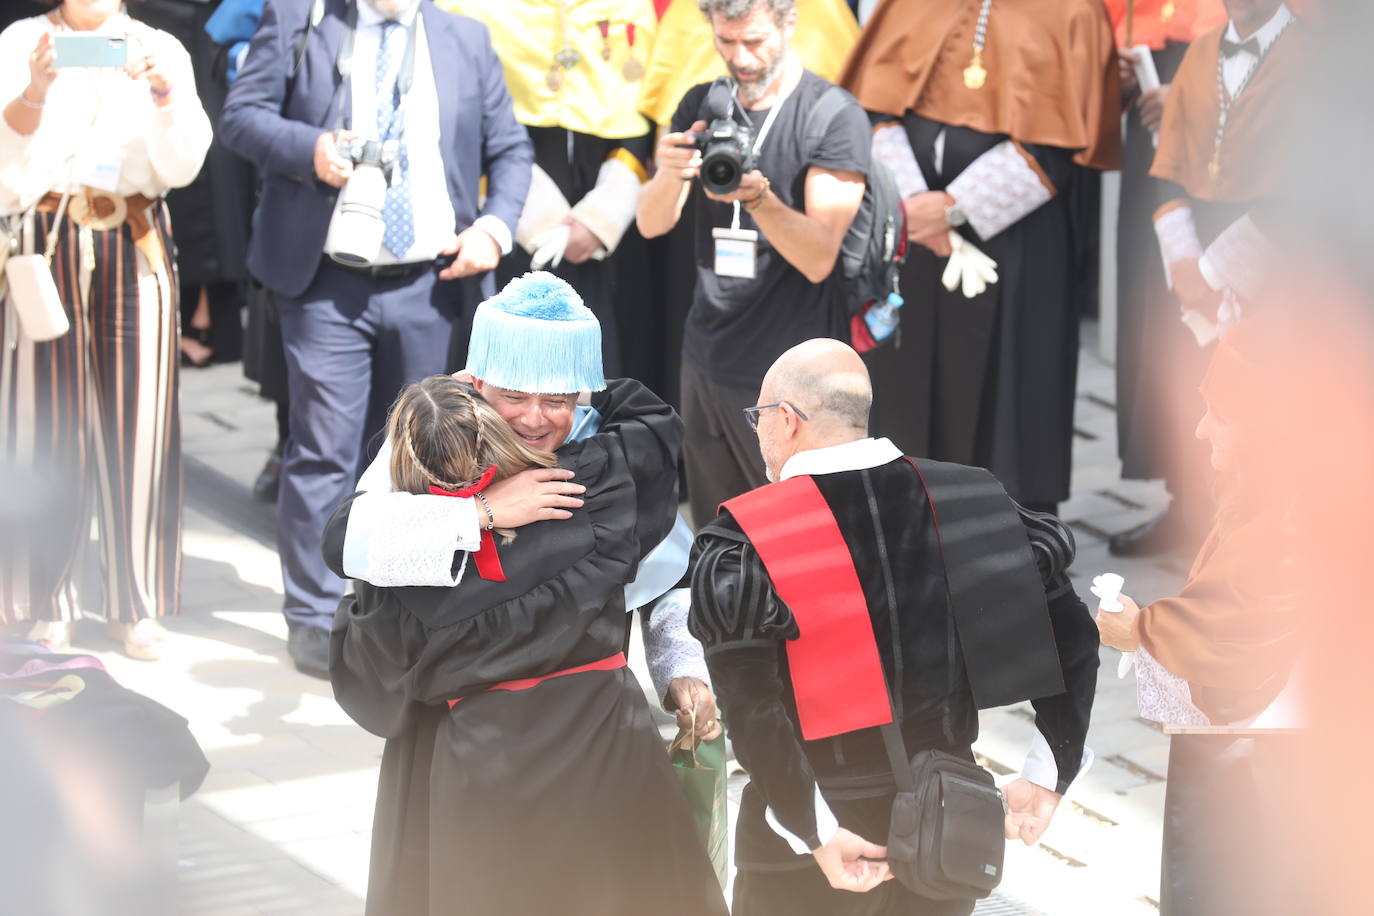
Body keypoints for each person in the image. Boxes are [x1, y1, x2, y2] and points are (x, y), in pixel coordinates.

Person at [326, 275, 729, 916]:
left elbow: (665, 575)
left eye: (558, 399)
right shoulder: (431, 443)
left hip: (598, 735)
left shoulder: (608, 452)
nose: (536, 419)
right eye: (515, 395)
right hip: (468, 744)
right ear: (477, 382)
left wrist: (681, 669)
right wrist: (480, 512)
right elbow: (354, 544)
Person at [690, 338, 1101, 915]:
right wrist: (1048, 770)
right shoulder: (973, 501)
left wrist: (815, 831)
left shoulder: (748, 542)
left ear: (786, 420)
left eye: (759, 416)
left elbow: (753, 709)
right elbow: (1076, 641)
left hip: (811, 856)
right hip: (946, 829)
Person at [218, 0, 533, 676]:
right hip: (328, 283)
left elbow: (510, 149)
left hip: (430, 282)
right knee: (325, 451)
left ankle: (406, 603)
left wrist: (494, 230)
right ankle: (314, 612)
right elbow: (240, 117)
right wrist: (311, 150)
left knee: (425, 458)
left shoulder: (466, 38)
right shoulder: (301, 18)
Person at [839, 0, 1120, 514]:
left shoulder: (1073, 10)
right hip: (915, 227)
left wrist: (958, 207)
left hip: (1018, 238)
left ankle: (1016, 552)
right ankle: (912, 541)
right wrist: (916, 206)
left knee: (1012, 412)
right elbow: (877, 108)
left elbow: (1064, 140)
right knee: (907, 398)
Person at [0, 0, 213, 659]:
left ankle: (136, 603)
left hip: (134, 234)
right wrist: (35, 88)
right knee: (44, 424)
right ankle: (47, 598)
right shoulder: (21, 41)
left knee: (140, 424)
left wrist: (163, 91)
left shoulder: (158, 47)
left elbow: (184, 166)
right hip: (45, 237)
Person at [1094, 318, 1310, 915]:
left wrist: (1139, 631)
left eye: (1222, 414)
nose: (1200, 428)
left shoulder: (1294, 522)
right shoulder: (1271, 489)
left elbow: (1234, 628)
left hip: (1276, 761)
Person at [636, 0, 870, 526]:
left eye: (755, 41)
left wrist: (760, 198)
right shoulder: (702, 103)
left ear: (790, 24)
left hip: (795, 372)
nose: (740, 57)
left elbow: (818, 257)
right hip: (706, 356)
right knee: (720, 534)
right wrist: (669, 174)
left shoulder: (832, 114)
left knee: (797, 533)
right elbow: (651, 225)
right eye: (726, 41)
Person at [437, 0, 657, 379]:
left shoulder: (632, 6)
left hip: (604, 222)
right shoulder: (464, 6)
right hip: (506, 218)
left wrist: (602, 216)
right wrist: (533, 215)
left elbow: (646, 109)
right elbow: (460, 117)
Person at [1106, 0, 1227, 558]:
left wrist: (1188, 98)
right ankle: (1186, 496)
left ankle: (1227, 502)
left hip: (1226, 137)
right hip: (1150, 123)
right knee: (1153, 311)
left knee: (1213, 301)